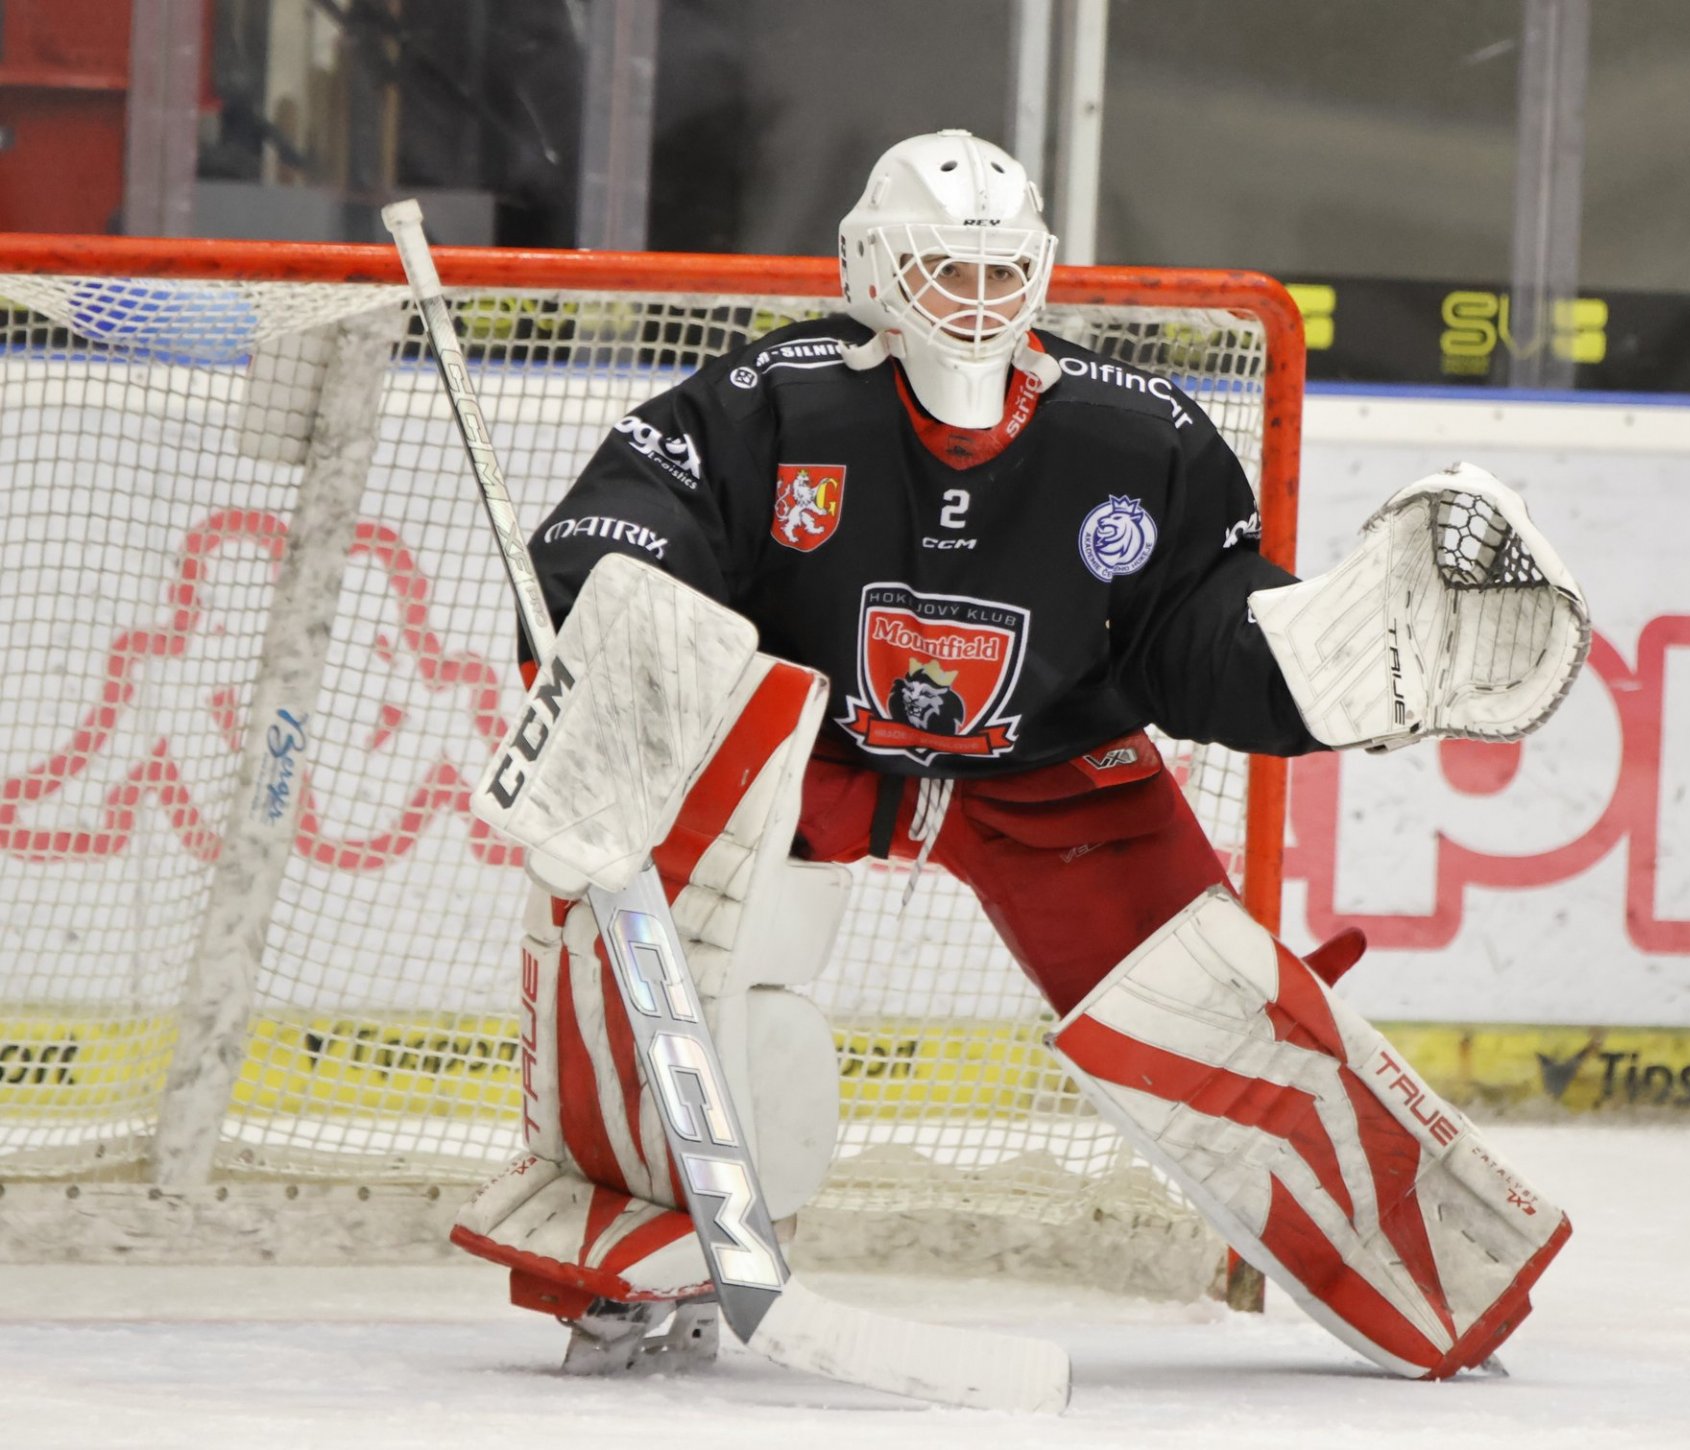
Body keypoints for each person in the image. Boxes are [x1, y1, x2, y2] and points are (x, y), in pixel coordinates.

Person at [455, 130, 1591, 1381]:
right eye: (945, 268)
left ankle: (1431, 1278)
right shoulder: (774, 399)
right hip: (811, 754)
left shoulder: (1136, 435)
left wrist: (1311, 664)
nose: (978, 299)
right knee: (635, 895)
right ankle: (630, 1248)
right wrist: (609, 607)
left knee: (1212, 1003)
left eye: (1002, 271)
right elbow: (640, 506)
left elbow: (1194, 627)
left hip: (1047, 773)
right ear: (873, 271)